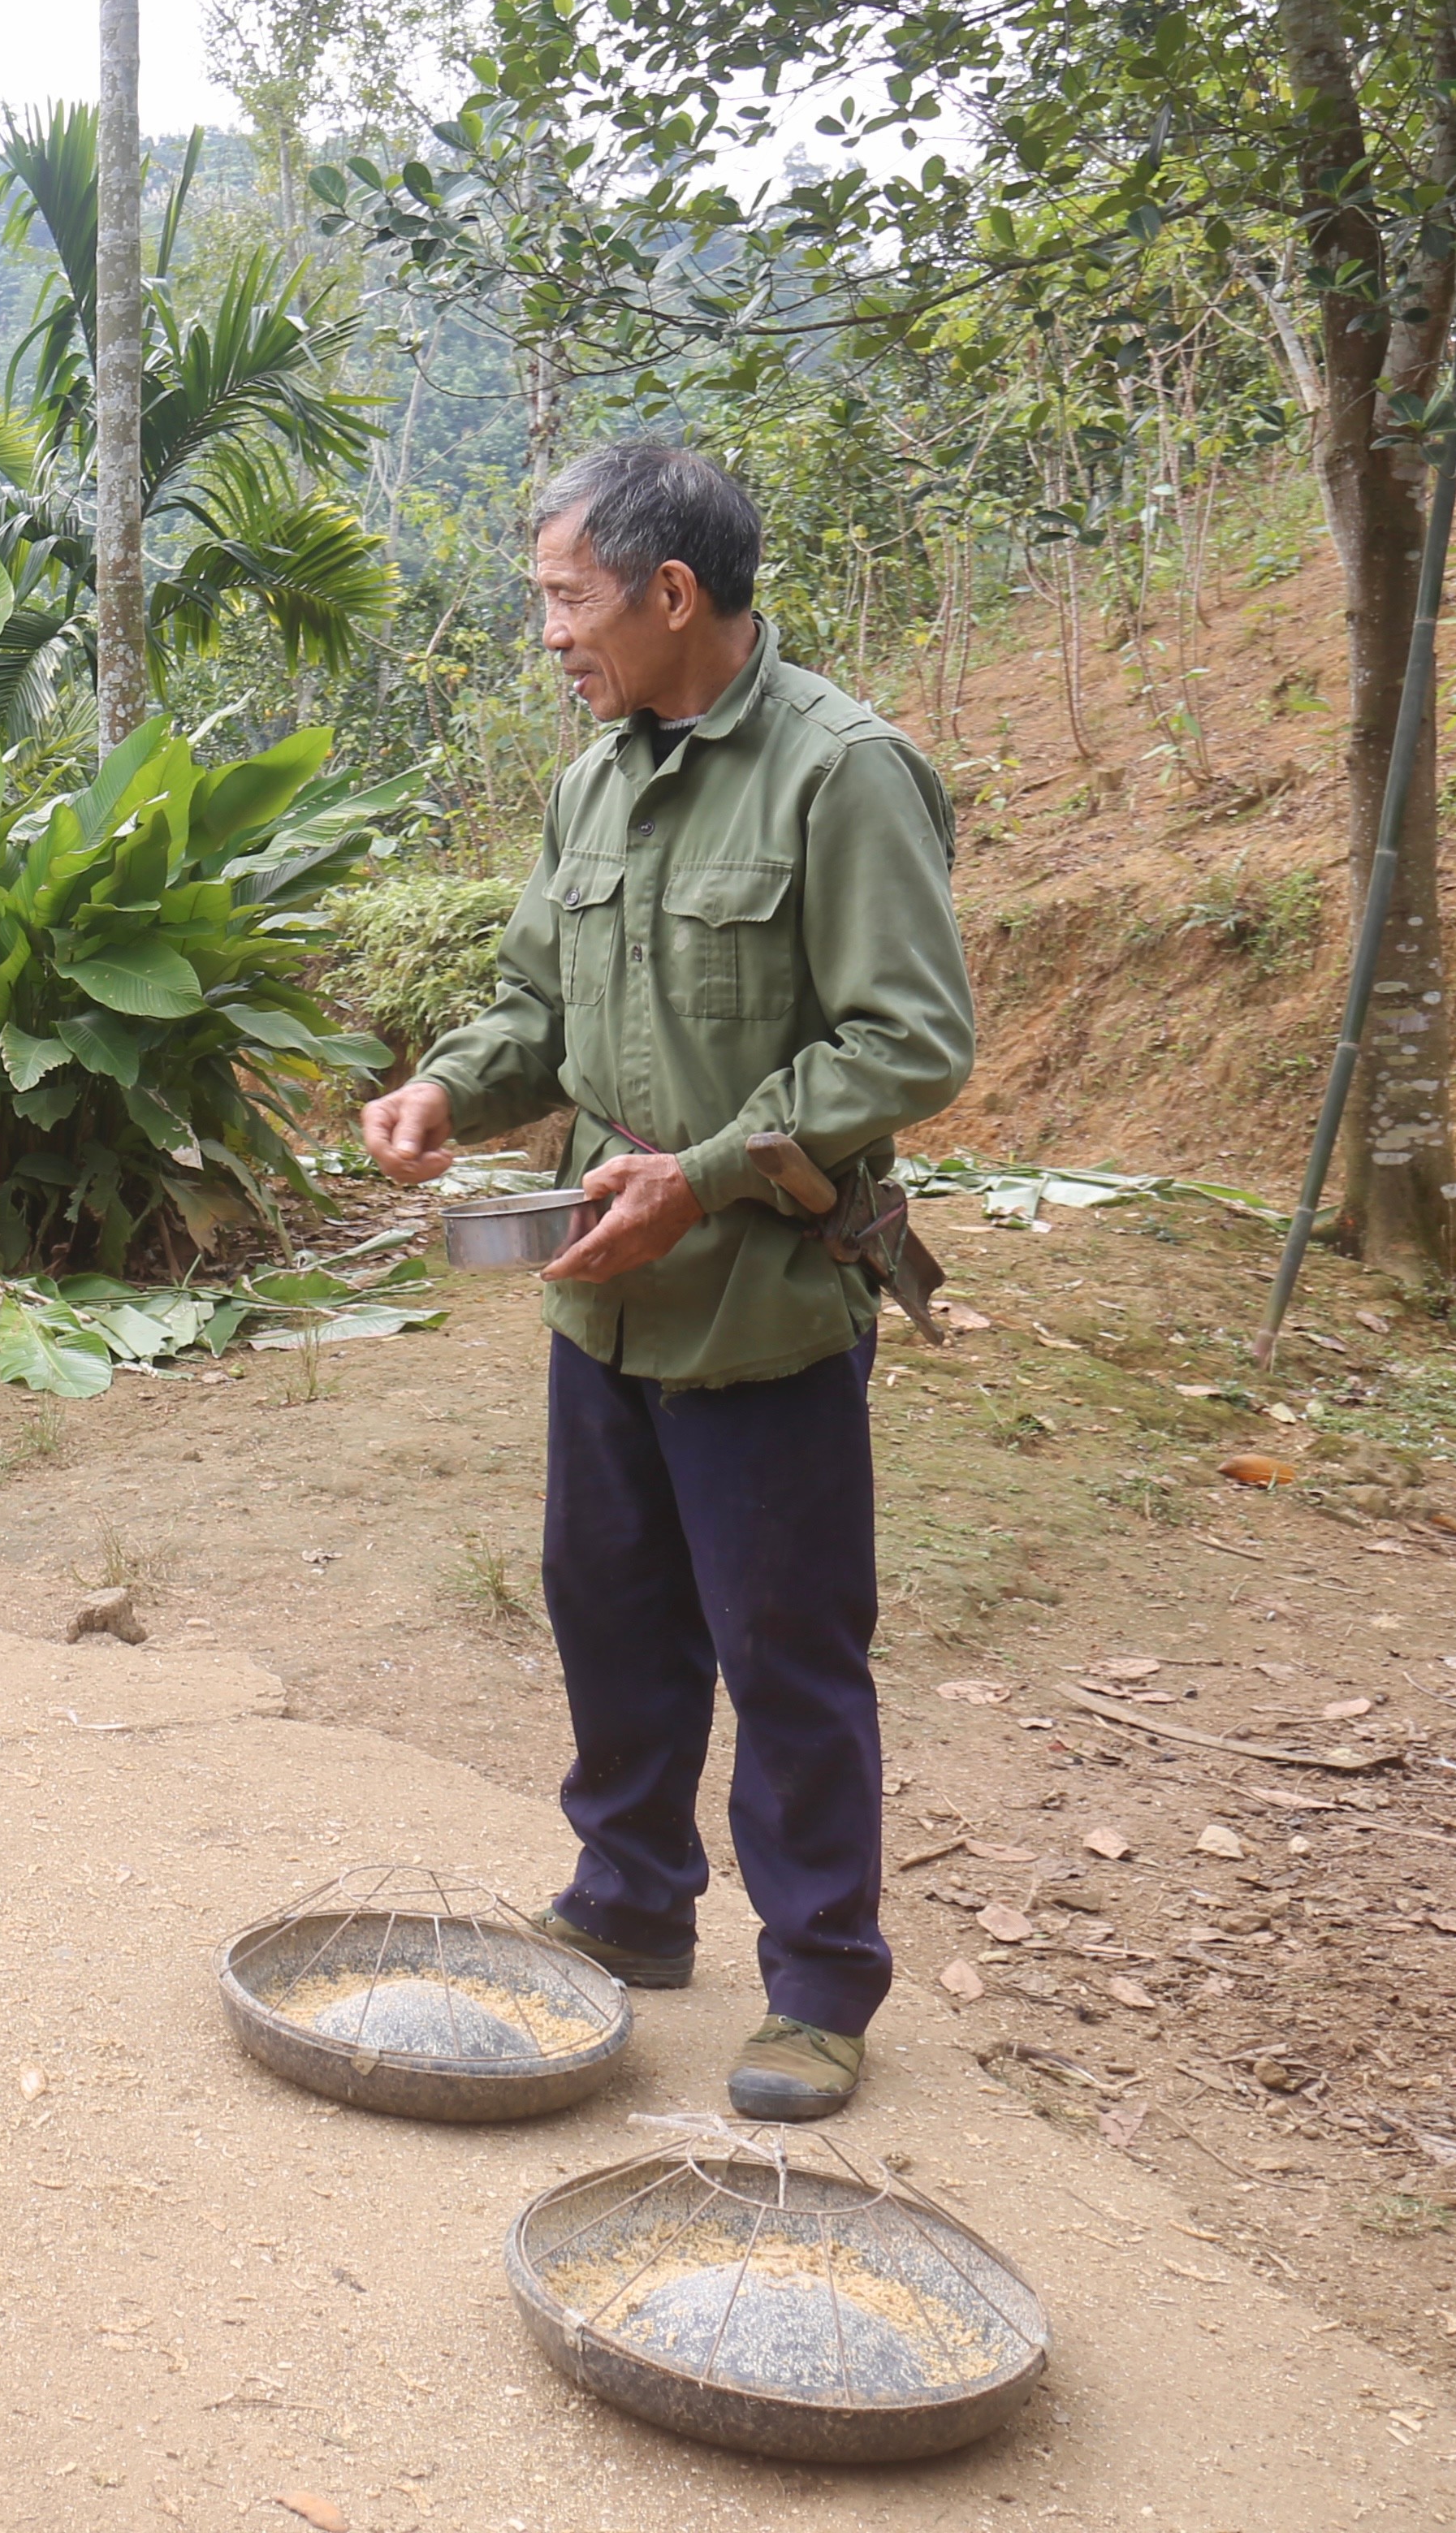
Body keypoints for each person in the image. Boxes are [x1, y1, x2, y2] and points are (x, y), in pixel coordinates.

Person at [358, 441, 974, 2120]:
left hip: (757, 1295)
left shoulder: (843, 774)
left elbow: (913, 1040)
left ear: (673, 593)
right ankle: (629, 1903)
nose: (552, 635)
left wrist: (699, 1178)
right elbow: (536, 1007)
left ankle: (819, 1983)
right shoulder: (596, 781)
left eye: (569, 600)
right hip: (600, 1289)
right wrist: (447, 1087)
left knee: (785, 1645)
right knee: (609, 1606)